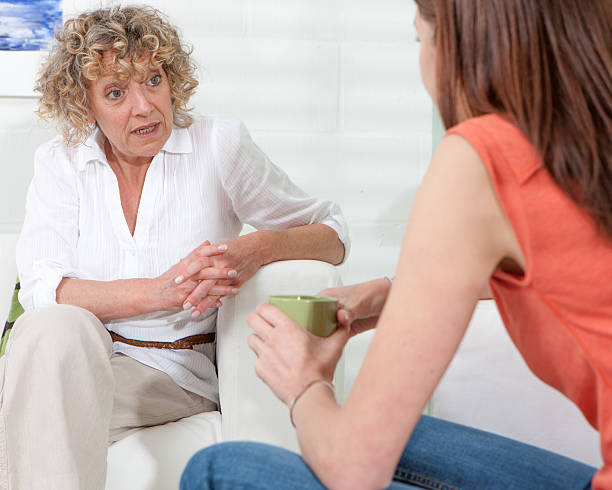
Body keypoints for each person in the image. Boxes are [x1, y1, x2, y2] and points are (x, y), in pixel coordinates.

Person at [181, 0, 612, 488]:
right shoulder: (587, 148)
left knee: (218, 470)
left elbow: (354, 470)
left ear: (455, 43)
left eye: (419, 39)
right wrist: (392, 294)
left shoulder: (481, 158)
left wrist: (304, 384)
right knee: (402, 434)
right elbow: (571, 273)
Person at [0, 5, 349, 489]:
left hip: (169, 373)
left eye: (153, 80)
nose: (143, 106)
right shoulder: (61, 164)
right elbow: (44, 292)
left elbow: (332, 236)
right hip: (78, 356)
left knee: (30, 406)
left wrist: (258, 247)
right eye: (116, 93)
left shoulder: (216, 146)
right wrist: (161, 291)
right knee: (52, 328)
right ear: (86, 105)